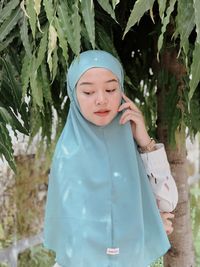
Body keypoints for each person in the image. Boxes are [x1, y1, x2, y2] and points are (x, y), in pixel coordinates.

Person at [44, 50, 178, 267]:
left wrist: (145, 141)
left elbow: (168, 202)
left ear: (121, 91)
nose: (101, 99)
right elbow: (76, 234)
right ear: (74, 96)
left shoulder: (132, 140)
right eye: (88, 92)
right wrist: (144, 224)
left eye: (110, 89)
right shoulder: (69, 154)